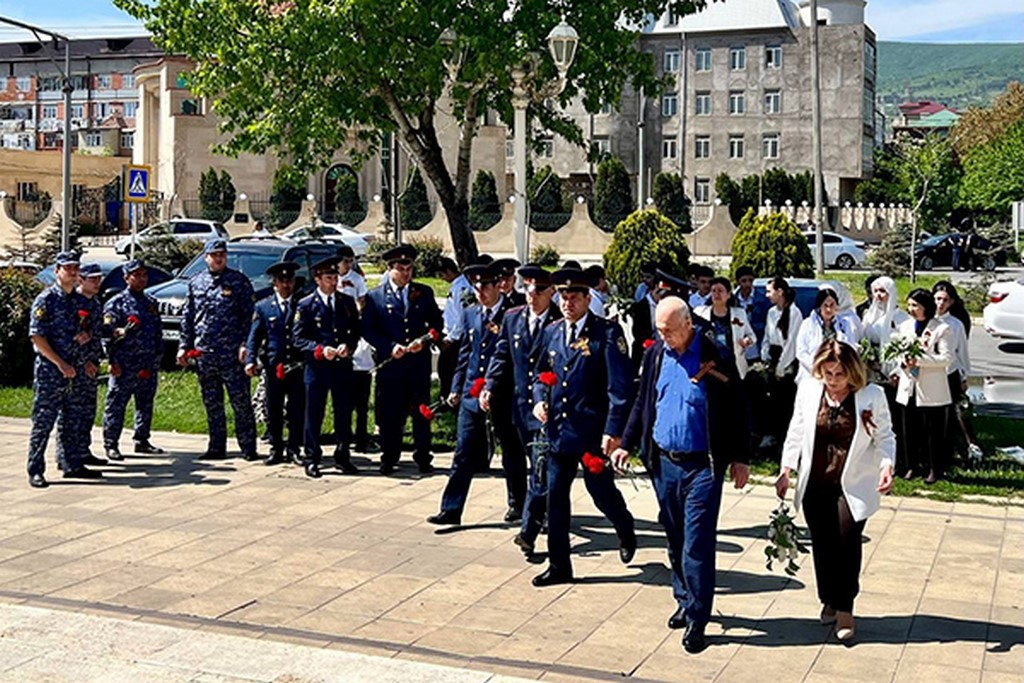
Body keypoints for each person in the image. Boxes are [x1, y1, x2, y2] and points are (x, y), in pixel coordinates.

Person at [612, 296, 750, 654]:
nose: (664, 337)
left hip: (703, 465)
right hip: (664, 463)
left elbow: (737, 407)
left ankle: (698, 619)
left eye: (670, 331)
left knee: (697, 542)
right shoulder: (656, 354)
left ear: (688, 323)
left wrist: (740, 457)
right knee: (674, 537)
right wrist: (626, 442)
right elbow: (643, 401)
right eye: (660, 331)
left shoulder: (713, 354)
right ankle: (684, 598)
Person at [776, 341, 895, 642]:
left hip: (852, 484)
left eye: (839, 374)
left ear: (852, 372)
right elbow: (796, 430)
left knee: (846, 540)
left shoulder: (872, 396)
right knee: (824, 544)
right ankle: (828, 597)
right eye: (827, 373)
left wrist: (886, 466)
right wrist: (786, 469)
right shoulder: (809, 391)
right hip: (816, 481)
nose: (832, 380)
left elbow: (886, 437)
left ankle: (845, 607)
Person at [530, 267, 636, 587]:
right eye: (563, 296)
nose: (567, 302)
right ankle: (560, 565)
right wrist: (538, 400)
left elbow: (619, 388)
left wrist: (614, 431)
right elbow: (539, 373)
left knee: (600, 491)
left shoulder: (606, 332)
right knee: (556, 497)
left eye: (574, 297)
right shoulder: (552, 331)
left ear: (588, 298)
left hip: (592, 433)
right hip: (559, 431)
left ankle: (624, 526)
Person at [428, 263, 523, 524]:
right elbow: (466, 354)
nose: (480, 291)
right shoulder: (472, 313)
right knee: (463, 451)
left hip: (503, 393)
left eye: (485, 286)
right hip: (472, 392)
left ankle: (518, 503)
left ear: (497, 286)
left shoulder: (513, 314)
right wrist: (456, 388)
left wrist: (495, 386)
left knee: (511, 450)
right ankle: (451, 509)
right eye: (476, 286)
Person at [483, 264, 562, 553]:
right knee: (521, 463)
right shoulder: (512, 317)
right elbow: (502, 354)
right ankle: (530, 511)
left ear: (551, 291)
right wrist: (489, 384)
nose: (532, 295)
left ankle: (532, 527)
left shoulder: (559, 320)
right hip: (518, 405)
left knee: (541, 468)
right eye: (527, 288)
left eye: (539, 289)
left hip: (547, 408)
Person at [362, 244, 443, 474]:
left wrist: (425, 340)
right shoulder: (375, 297)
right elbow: (368, 329)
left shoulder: (423, 293)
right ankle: (389, 455)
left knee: (421, 412)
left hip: (417, 365)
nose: (406, 274)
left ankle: (423, 455)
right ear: (390, 269)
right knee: (391, 413)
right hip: (392, 365)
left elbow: (437, 323)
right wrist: (389, 346)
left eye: (409, 269)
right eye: (401, 268)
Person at [26, 251, 103, 487]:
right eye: (67, 268)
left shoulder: (79, 302)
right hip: (52, 372)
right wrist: (60, 363)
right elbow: (37, 337)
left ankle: (71, 464)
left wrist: (85, 336)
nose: (72, 271)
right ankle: (35, 469)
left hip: (75, 371)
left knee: (72, 419)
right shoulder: (46, 300)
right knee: (44, 421)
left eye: (75, 268)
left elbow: (89, 331)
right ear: (57, 271)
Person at [178, 238, 258, 461]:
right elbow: (188, 317)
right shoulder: (196, 282)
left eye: (222, 254)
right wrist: (184, 346)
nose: (218, 258)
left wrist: (245, 345)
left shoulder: (239, 282)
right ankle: (216, 446)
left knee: (240, 402)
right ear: (206, 258)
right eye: (214, 255)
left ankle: (248, 447)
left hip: (232, 354)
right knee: (212, 403)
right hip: (205, 354)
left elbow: (248, 318)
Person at [293, 256, 361, 477]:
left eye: (335, 278)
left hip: (341, 367)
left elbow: (355, 331)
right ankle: (311, 457)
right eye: (329, 278)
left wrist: (348, 346)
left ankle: (343, 456)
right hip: (317, 369)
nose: (334, 282)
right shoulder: (306, 305)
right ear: (318, 279)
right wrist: (319, 349)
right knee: (314, 414)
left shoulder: (346, 302)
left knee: (343, 412)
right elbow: (298, 338)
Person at [102, 259, 165, 461]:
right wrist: (112, 361)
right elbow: (108, 334)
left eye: (144, 275)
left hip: (147, 363)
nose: (141, 279)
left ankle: (142, 440)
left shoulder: (151, 303)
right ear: (126, 278)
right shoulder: (116, 304)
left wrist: (157, 357)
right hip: (124, 364)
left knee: (145, 403)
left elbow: (157, 332)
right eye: (136, 275)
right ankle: (111, 443)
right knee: (116, 404)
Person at [245, 261, 305, 466]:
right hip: (274, 367)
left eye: (290, 281)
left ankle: (295, 448)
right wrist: (250, 360)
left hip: (297, 365)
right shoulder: (263, 307)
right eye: (282, 281)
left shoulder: (301, 305)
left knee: (297, 409)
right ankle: (276, 448)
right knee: (274, 408)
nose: (286, 285)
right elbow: (254, 337)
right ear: (274, 283)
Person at [893, 289, 952, 483]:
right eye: (909, 305)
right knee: (908, 428)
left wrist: (919, 360)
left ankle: (933, 468)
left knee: (931, 431)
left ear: (926, 307)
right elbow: (899, 350)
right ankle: (911, 466)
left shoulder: (941, 328)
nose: (911, 309)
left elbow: (946, 358)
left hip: (930, 389)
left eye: (915, 305)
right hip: (909, 386)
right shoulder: (905, 326)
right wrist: (903, 361)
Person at [57, 262, 107, 472]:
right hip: (75, 367)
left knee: (87, 411)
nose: (97, 282)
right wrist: (84, 361)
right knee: (70, 414)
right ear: (81, 280)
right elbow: (72, 339)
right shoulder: (73, 304)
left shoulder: (95, 304)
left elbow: (95, 336)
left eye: (99, 278)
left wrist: (96, 360)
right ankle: (66, 458)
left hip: (91, 366)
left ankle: (83, 451)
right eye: (92, 279)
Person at [932, 281, 981, 461]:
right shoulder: (927, 321)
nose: (940, 303)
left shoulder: (956, 324)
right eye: (937, 299)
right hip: (928, 375)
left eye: (945, 300)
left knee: (951, 413)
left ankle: (953, 449)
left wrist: (963, 376)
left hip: (949, 373)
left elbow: (962, 352)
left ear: (951, 302)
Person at [336, 245, 375, 453]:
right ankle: (343, 436)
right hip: (337, 338)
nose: (347, 264)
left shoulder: (357, 279)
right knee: (343, 400)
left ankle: (361, 436)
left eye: (351, 260)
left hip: (356, 339)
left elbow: (362, 303)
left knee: (361, 399)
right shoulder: (332, 279)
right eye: (345, 260)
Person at [760, 277, 803, 453]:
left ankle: (785, 439)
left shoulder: (794, 313)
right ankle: (771, 437)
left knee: (785, 401)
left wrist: (781, 367)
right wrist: (765, 355)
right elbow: (767, 336)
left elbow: (792, 343)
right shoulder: (771, 312)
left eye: (770, 291)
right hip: (773, 357)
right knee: (771, 400)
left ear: (780, 292)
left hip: (787, 362)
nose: (767, 295)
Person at [694, 277, 757, 380]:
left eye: (720, 291)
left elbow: (752, 336)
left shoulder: (739, 313)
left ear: (728, 294)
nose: (716, 294)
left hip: (733, 365)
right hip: (709, 368)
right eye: (713, 291)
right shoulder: (700, 312)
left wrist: (747, 341)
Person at [796, 287, 860, 383]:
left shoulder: (845, 325)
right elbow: (801, 352)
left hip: (838, 375)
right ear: (819, 306)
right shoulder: (807, 324)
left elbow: (850, 347)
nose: (829, 309)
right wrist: (818, 369)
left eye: (832, 305)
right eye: (825, 305)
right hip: (812, 374)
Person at [437, 256, 471, 398]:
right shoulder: (456, 285)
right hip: (450, 334)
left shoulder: (462, 287)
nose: (441, 278)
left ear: (449, 271)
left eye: (442, 274)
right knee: (443, 370)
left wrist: (451, 338)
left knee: (449, 370)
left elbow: (462, 316)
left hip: (456, 338)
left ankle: (450, 398)